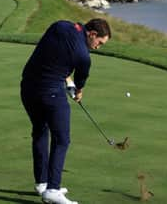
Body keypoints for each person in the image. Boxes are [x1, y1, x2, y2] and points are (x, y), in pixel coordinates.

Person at [20, 18, 111, 204]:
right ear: (92, 34)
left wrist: (66, 80)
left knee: (40, 131)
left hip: (28, 87)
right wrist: (77, 91)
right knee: (62, 139)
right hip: (50, 93)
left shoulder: (60, 26)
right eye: (99, 43)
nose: (97, 47)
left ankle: (42, 183)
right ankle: (53, 189)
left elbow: (55, 54)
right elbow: (80, 84)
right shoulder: (84, 57)